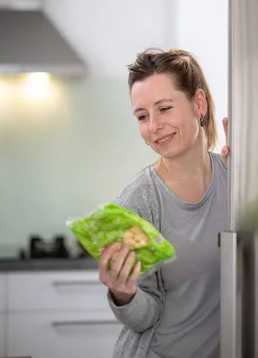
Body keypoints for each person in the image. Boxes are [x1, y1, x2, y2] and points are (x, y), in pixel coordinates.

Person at [98, 48, 229, 358]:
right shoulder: (136, 203)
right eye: (142, 116)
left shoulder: (236, 176)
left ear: (199, 103)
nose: (153, 126)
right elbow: (146, 316)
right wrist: (124, 293)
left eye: (165, 108)